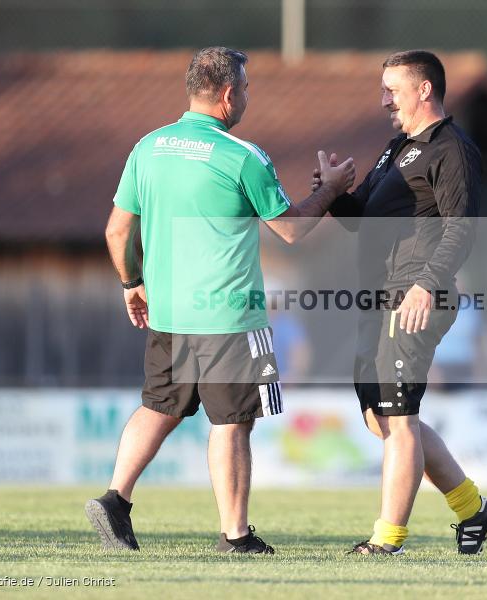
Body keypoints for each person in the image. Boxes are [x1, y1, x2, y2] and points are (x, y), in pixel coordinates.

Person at [86, 47, 355, 555]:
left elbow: (117, 230)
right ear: (229, 94)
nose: (248, 98)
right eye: (247, 89)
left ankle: (115, 499)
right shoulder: (242, 156)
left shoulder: (148, 148)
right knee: (232, 422)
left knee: (158, 407)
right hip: (229, 316)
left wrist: (131, 282)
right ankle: (236, 535)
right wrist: (333, 190)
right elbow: (292, 230)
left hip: (169, 312)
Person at [313, 50, 487, 555]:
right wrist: (333, 193)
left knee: (398, 418)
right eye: (383, 90)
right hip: (379, 299)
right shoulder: (398, 148)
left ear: (424, 90)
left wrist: (426, 284)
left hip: (414, 296)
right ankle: (473, 508)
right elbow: (359, 219)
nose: (384, 101)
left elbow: (462, 229)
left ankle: (387, 540)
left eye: (392, 90)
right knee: (382, 417)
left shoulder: (452, 149)